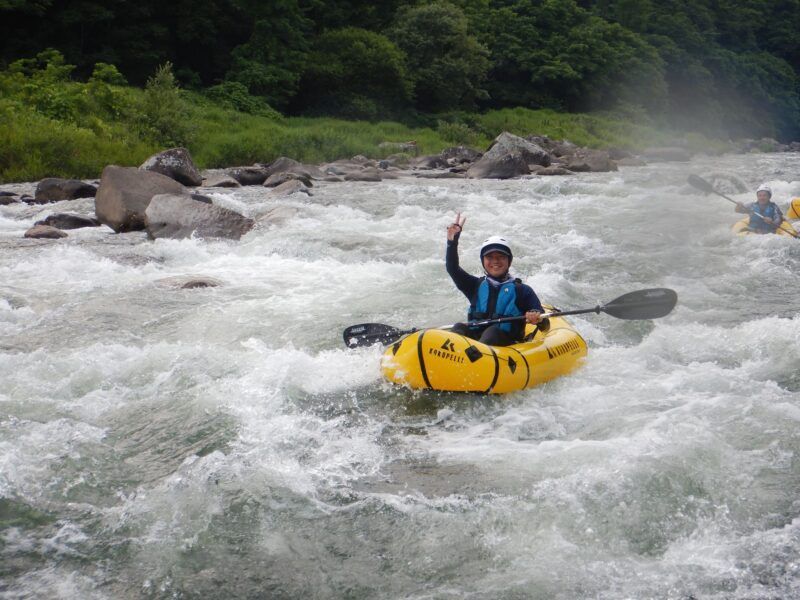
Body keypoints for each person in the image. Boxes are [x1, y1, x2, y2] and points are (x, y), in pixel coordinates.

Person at [445, 212, 549, 346]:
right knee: (459, 327)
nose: (495, 261)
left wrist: (537, 318)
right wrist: (452, 242)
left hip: (506, 346)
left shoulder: (522, 291)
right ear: (483, 261)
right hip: (474, 346)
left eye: (501, 257)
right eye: (489, 257)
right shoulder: (474, 286)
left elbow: (545, 326)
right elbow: (452, 268)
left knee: (492, 332)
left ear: (509, 261)